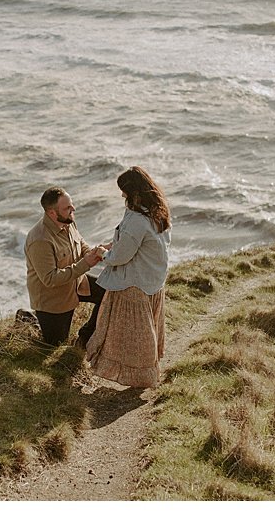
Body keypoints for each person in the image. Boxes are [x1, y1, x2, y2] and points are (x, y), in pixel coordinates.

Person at [84, 165, 172, 389]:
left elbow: (120, 257)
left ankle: (140, 378)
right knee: (145, 334)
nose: (121, 194)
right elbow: (133, 243)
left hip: (135, 283)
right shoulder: (156, 212)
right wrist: (111, 245)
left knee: (135, 339)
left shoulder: (137, 220)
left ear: (134, 192)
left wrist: (103, 253)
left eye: (123, 190)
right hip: (153, 280)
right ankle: (145, 376)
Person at [24, 186, 108, 346]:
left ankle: (85, 337)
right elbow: (50, 279)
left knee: (108, 293)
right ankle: (27, 318)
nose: (73, 209)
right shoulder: (40, 240)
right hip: (53, 300)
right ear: (52, 213)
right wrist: (86, 264)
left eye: (72, 205)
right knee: (55, 345)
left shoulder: (68, 221)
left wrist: (93, 252)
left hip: (77, 284)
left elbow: (80, 242)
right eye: (67, 208)